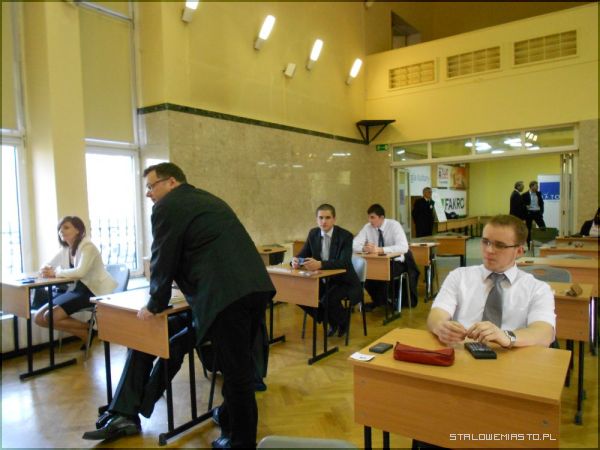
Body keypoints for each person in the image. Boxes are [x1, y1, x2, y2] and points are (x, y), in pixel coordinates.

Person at [136, 162, 273, 449]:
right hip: (255, 287)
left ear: (171, 182)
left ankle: (241, 443)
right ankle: (227, 416)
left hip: (226, 295)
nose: (148, 194)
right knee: (239, 365)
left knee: (236, 374)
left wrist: (155, 303)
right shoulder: (206, 198)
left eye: (151, 186)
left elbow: (162, 257)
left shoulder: (167, 206)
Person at [421, 215, 555, 450]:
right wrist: (441, 326)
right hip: (460, 374)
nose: (489, 250)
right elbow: (436, 314)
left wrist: (508, 336)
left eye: (500, 245)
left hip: (511, 382)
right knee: (431, 426)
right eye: (485, 242)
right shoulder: (460, 276)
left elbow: (544, 333)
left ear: (519, 250)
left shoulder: (537, 288)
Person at [33, 216, 116, 348]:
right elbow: (48, 264)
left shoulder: (88, 247)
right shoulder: (65, 249)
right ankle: (87, 331)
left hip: (93, 291)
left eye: (66, 227)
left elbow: (80, 272)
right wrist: (45, 269)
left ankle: (90, 330)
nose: (61, 231)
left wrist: (55, 273)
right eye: (60, 229)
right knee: (38, 318)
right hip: (76, 289)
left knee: (50, 316)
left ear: (78, 230)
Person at [291, 204, 363, 337]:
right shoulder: (313, 233)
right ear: (316, 219)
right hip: (323, 280)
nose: (324, 221)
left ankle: (340, 322)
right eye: (321, 218)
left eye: (328, 218)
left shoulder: (345, 236)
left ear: (334, 219)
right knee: (300, 295)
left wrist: (320, 264)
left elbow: (344, 262)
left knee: (327, 300)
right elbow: (302, 254)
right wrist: (295, 261)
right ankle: (332, 320)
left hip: (344, 281)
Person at [352, 204, 420, 310]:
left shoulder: (394, 225)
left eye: (372, 217)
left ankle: (388, 301)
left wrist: (381, 250)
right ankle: (382, 301)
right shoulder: (367, 227)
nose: (370, 220)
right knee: (366, 275)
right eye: (369, 217)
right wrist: (364, 248)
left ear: (381, 218)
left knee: (383, 275)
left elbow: (404, 247)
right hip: (376, 263)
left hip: (396, 262)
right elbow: (353, 244)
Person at [521, 180, 546, 248]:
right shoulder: (524, 195)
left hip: (537, 213)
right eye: (536, 186)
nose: (537, 187)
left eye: (537, 186)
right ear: (531, 186)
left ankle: (544, 244)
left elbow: (541, 203)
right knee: (528, 230)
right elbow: (521, 205)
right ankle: (529, 245)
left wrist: (541, 212)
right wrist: (525, 207)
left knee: (543, 227)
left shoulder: (538, 194)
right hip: (529, 214)